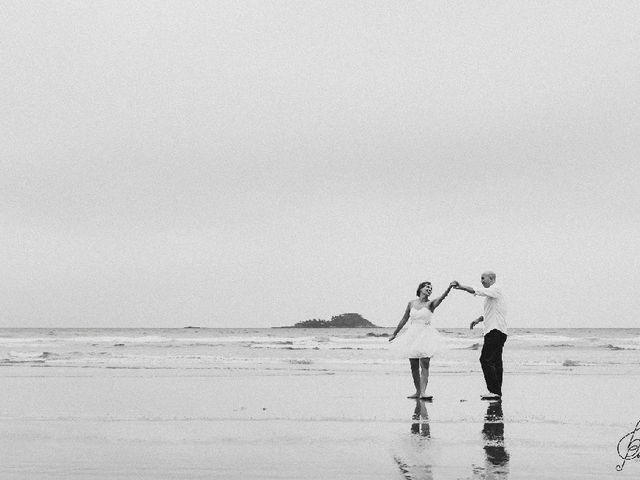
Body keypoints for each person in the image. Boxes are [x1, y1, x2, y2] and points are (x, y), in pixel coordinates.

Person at [389, 281, 455, 399]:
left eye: (431, 288)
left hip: (426, 335)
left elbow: (442, 298)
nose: (429, 289)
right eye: (427, 287)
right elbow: (404, 319)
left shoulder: (431, 304)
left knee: (425, 363)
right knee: (413, 365)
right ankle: (418, 391)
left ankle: (424, 392)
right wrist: (395, 333)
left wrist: (449, 288)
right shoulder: (411, 303)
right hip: (412, 334)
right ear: (420, 289)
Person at [452, 271, 507, 400]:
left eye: (483, 278)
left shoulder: (495, 289)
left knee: (485, 360)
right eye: (481, 279)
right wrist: (478, 319)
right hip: (498, 331)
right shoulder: (492, 295)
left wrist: (462, 287)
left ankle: (494, 391)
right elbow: (492, 312)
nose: (481, 281)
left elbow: (477, 291)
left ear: (492, 278)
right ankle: (497, 392)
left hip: (495, 331)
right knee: (496, 362)